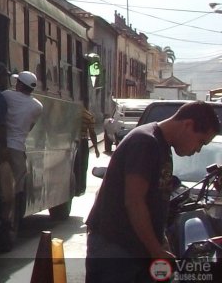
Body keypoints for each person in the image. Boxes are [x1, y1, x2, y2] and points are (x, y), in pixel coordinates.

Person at [85, 100, 220, 283]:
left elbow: (154, 202)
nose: (197, 150)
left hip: (136, 251)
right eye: (200, 142)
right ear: (188, 125)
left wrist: (161, 243)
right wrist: (155, 249)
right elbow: (135, 201)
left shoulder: (161, 145)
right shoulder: (145, 141)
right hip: (117, 249)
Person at [0, 70, 43, 222]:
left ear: (19, 85)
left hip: (1, 145)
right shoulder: (37, 106)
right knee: (17, 184)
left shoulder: (6, 95)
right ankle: (10, 215)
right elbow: (29, 127)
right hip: (17, 148)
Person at [76, 106, 100, 195]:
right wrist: (96, 148)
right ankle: (81, 187)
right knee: (83, 165)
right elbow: (92, 133)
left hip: (71, 140)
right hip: (82, 143)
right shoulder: (88, 116)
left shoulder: (73, 114)